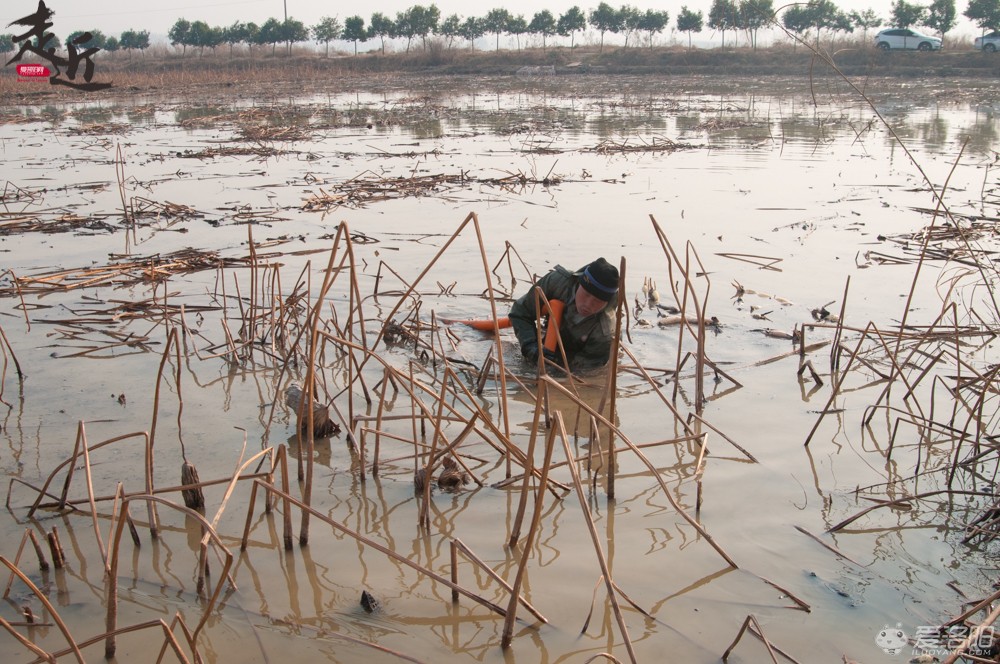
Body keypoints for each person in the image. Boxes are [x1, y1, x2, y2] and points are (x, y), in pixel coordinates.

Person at [508, 257, 620, 368]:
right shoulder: (557, 283)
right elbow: (521, 312)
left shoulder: (605, 333)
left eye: (597, 301)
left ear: (606, 302)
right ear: (579, 283)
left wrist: (554, 368)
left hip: (578, 353)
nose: (588, 304)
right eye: (586, 294)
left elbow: (582, 372)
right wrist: (531, 346)